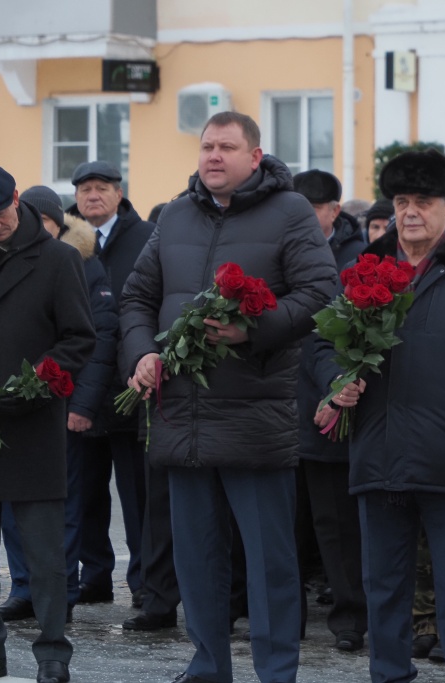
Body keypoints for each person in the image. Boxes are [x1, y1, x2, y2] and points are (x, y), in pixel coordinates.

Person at [119, 111, 335, 683]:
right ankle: (208, 666)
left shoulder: (288, 212)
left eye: (226, 147)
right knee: (196, 559)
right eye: (207, 146)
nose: (213, 156)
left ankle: (276, 671)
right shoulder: (175, 215)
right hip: (180, 415)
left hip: (252, 416)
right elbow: (137, 296)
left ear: (254, 157)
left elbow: (321, 293)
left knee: (269, 564)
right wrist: (141, 353)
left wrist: (252, 330)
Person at [318, 148, 445, 683]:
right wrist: (337, 385)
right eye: (402, 201)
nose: (409, 212)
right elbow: (322, 349)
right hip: (378, 449)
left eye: (423, 202)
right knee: (382, 584)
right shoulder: (361, 273)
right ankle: (388, 674)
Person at [0, 166, 96, 683]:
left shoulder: (57, 259)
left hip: (32, 424)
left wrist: (36, 387)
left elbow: (78, 339)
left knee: (45, 553)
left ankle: (53, 654)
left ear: (15, 200)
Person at [0, 186, 116, 627]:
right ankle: (24, 587)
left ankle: (60, 590)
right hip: (10, 407)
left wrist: (78, 402)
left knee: (58, 507)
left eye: (47, 223)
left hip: (58, 403)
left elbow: (94, 340)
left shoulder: (76, 264)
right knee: (10, 504)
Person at [62, 160, 154, 611]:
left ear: (119, 194)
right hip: (79, 389)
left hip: (129, 386)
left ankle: (143, 581)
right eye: (84, 190)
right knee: (86, 494)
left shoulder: (144, 236)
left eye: (101, 188)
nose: (91, 196)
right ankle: (93, 576)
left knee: (136, 497)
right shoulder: (65, 242)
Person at [293, 168, 367, 653]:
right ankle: (283, 615)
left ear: (334, 212)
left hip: (333, 405)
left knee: (335, 523)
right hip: (276, 406)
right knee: (285, 522)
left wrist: (337, 386)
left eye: (312, 208)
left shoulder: (359, 261)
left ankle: (348, 617)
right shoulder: (279, 251)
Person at [293, 170, 365, 269]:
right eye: (297, 208)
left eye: (312, 208)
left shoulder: (359, 255)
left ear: (334, 211)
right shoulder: (279, 249)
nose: (303, 215)